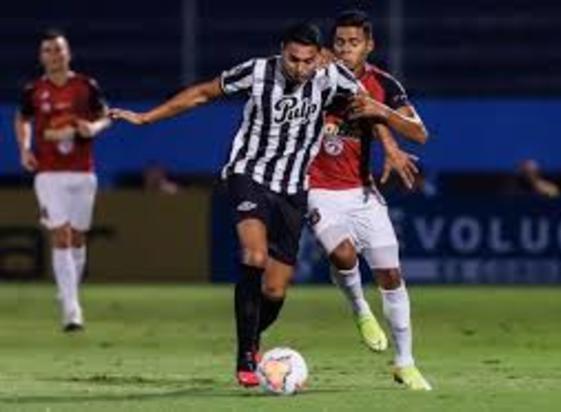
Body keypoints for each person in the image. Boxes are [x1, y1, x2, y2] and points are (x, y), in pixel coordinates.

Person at [109, 22, 412, 387]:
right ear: (282, 50)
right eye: (293, 59)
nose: (300, 68)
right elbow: (203, 93)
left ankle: (252, 340)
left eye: (307, 61)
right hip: (249, 174)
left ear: (318, 57)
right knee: (254, 255)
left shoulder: (332, 77)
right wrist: (146, 118)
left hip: (293, 188)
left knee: (275, 290)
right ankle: (246, 357)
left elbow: (368, 108)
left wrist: (390, 147)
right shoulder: (257, 72)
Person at [307, 10, 432, 390]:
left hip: (362, 192)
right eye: (339, 42)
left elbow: (420, 133)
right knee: (343, 255)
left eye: (354, 42)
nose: (346, 49)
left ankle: (405, 363)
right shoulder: (315, 76)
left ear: (369, 45)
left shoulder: (384, 84)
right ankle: (361, 309)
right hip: (316, 187)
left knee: (391, 275)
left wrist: (382, 112)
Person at [14, 29, 111, 332]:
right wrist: (25, 149)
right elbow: (23, 118)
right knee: (61, 236)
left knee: (79, 237)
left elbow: (106, 115)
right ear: (41, 56)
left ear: (68, 53)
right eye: (48, 50)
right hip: (48, 173)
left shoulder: (85, 86)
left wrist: (93, 128)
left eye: (58, 49)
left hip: (83, 172)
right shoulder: (34, 90)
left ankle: (69, 292)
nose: (54, 55)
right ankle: (72, 311)